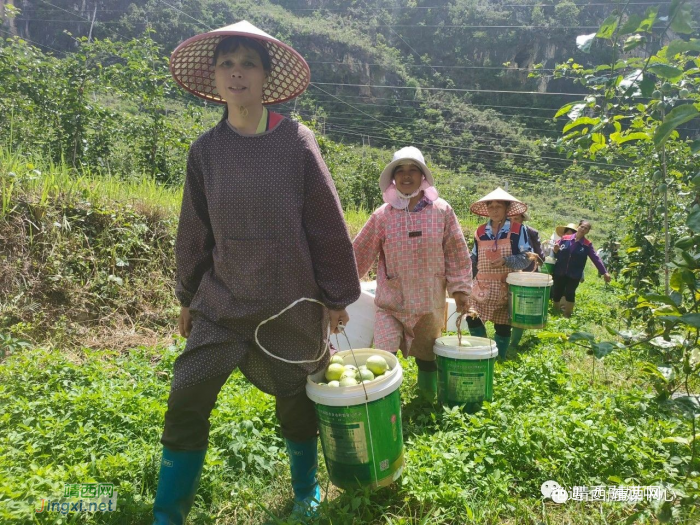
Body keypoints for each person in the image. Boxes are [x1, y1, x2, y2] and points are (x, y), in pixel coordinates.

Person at [154, 21, 361, 523]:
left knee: (296, 401)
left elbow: (326, 222)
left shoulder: (297, 142)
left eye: (248, 63)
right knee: (187, 396)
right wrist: (186, 297)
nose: (236, 72)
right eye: (227, 63)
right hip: (222, 301)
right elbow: (194, 231)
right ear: (215, 77)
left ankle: (306, 490)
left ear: (266, 76)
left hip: (291, 298)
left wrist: (335, 296)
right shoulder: (205, 151)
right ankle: (168, 512)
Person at [353, 147, 472, 402]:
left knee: (428, 356)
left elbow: (456, 252)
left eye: (413, 171)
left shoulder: (442, 211)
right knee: (382, 358)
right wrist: (340, 288)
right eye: (401, 171)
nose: (407, 176)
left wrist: (461, 290)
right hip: (391, 302)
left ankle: (426, 400)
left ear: (423, 177)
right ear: (393, 179)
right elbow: (359, 252)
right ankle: (384, 405)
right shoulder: (383, 215)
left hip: (428, 302)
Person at [465, 188, 532, 360]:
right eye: (491, 206)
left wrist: (506, 260)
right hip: (482, 286)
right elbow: (474, 258)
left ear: (507, 208)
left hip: (506, 286)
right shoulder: (480, 232)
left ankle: (500, 357)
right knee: (471, 317)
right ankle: (483, 351)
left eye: (498, 206)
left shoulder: (518, 230)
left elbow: (526, 258)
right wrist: (465, 280)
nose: (494, 210)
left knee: (502, 325)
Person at [551, 220, 611, 317]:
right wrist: (556, 249)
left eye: (586, 228)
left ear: (588, 231)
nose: (583, 229)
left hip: (574, 274)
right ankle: (555, 311)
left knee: (570, 293)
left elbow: (596, 258)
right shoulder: (565, 238)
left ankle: (567, 315)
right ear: (578, 227)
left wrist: (604, 272)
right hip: (560, 271)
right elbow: (556, 251)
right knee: (557, 291)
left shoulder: (587, 245)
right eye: (582, 227)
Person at [509, 210, 544, 348]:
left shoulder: (531, 232)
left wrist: (529, 257)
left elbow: (541, 258)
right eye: (510, 218)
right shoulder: (504, 230)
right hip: (507, 272)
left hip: (525, 273)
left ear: (522, 219)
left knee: (520, 307)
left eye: (516, 218)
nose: (513, 221)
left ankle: (514, 342)